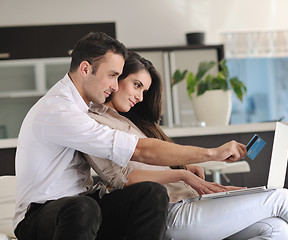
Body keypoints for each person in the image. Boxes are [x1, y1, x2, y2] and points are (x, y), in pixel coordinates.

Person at [13, 33, 247, 240]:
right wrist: (212, 153)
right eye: (112, 75)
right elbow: (139, 150)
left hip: (81, 206)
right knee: (83, 208)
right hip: (39, 215)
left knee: (150, 193)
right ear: (85, 69)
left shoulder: (85, 109)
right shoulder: (59, 110)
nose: (115, 86)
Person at [84, 51, 288, 240]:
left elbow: (155, 159)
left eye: (145, 90)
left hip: (191, 202)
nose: (141, 97)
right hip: (170, 212)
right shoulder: (95, 122)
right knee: (281, 198)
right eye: (136, 85)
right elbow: (121, 178)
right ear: (117, 78)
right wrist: (182, 174)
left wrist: (187, 171)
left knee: (277, 229)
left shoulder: (132, 123)